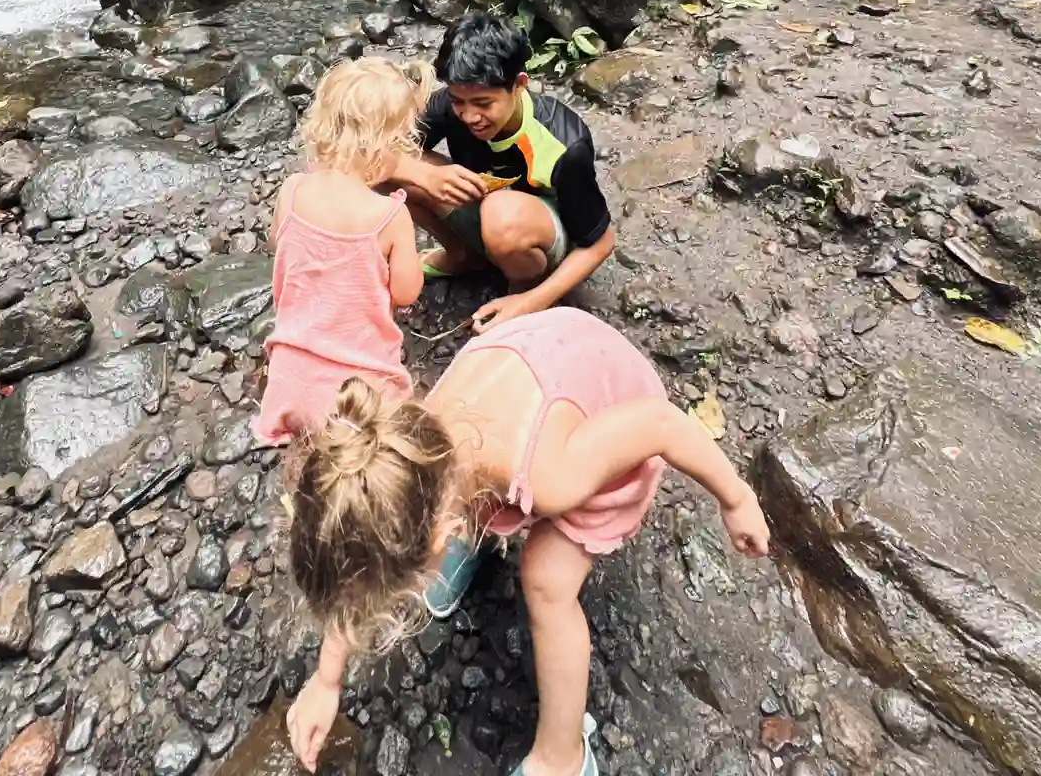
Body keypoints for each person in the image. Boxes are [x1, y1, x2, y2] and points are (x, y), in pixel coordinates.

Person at [284, 310, 770, 775]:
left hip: (612, 414)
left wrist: (736, 497)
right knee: (459, 504)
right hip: (548, 354)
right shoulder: (401, 446)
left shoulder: (557, 476)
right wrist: (327, 680)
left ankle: (563, 757)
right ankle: (464, 540)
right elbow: (356, 555)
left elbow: (660, 424)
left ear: (441, 534)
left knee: (546, 581)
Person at [387, 14, 614, 334]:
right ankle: (461, 255)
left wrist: (531, 301)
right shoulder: (448, 106)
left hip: (537, 235)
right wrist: (423, 176)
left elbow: (600, 243)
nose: (469, 116)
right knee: (396, 166)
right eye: (459, 102)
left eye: (483, 103)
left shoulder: (563, 142)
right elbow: (374, 154)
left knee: (501, 215)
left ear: (519, 85)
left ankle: (521, 287)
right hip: (484, 208)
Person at [250, 58, 430, 446]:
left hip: (289, 384)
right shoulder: (390, 216)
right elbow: (406, 292)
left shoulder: (292, 191)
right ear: (390, 144)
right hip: (359, 396)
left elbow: (283, 248)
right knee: (408, 432)